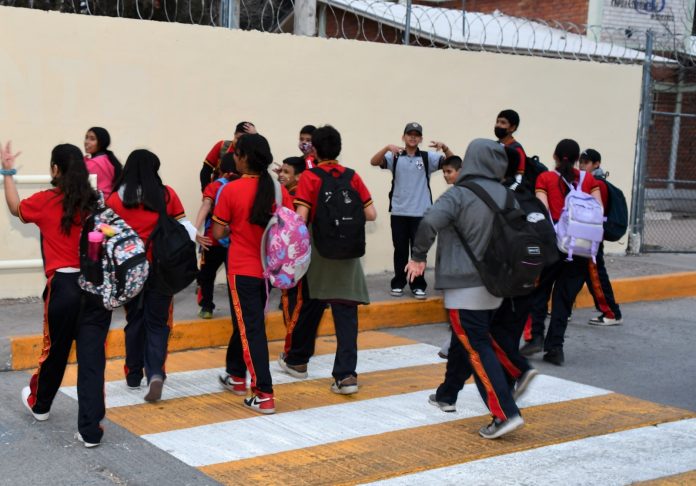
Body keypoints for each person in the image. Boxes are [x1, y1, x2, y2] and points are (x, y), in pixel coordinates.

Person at [405, 138, 524, 440]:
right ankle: (451, 394)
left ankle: (504, 412)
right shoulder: (507, 194)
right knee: (476, 341)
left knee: (476, 347)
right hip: (498, 284)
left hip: (464, 284)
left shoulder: (459, 194)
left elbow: (429, 222)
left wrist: (418, 257)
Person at [2, 141, 112, 448]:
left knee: (55, 352)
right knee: (92, 359)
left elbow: (15, 207)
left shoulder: (46, 201)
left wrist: (8, 172)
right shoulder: (96, 202)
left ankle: (40, 405)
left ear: (55, 169)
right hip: (96, 288)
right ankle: (90, 431)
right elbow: (110, 235)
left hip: (64, 287)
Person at [278, 125, 377, 395]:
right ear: (339, 149)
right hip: (348, 253)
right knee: (346, 312)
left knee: (311, 304)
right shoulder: (352, 176)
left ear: (315, 150)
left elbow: (301, 218)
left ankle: (298, 361)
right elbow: (371, 214)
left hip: (320, 253)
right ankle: (346, 376)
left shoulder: (310, 177)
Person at [213, 133, 293, 414]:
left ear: (244, 158)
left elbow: (218, 232)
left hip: (241, 269)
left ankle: (264, 393)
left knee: (251, 330)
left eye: (236, 153)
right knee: (248, 324)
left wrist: (234, 227)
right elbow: (291, 226)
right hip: (268, 271)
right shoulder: (279, 191)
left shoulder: (231, 190)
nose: (234, 157)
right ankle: (236, 376)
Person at [106, 150, 187, 401]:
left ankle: (133, 374)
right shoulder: (167, 195)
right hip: (161, 269)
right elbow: (183, 227)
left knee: (135, 321)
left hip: (129, 270)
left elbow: (106, 231)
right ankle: (155, 373)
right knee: (157, 323)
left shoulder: (115, 200)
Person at [521, 139, 603, 365]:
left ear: (555, 156)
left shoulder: (545, 178)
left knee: (540, 292)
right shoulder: (590, 180)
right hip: (580, 249)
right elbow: (599, 209)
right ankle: (555, 348)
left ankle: (536, 336)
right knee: (563, 300)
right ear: (577, 159)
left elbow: (543, 210)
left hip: (554, 246)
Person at [370, 122, 452, 299]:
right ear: (403, 137)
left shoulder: (427, 157)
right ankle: (398, 283)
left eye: (416, 135)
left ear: (420, 139)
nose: (413, 137)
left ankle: (418, 285)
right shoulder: (395, 156)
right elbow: (374, 161)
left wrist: (445, 148)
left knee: (418, 252)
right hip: (399, 212)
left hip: (421, 213)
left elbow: (453, 163)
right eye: (410, 134)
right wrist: (387, 148)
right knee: (400, 250)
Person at [579, 148, 623, 326]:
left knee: (596, 275)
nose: (582, 166)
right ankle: (564, 310)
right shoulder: (588, 182)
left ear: (596, 164)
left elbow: (596, 212)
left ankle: (612, 313)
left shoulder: (598, 185)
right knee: (577, 274)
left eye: (586, 162)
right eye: (580, 162)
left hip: (592, 237)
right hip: (586, 235)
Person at [193, 153, 239, 319]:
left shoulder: (214, 186)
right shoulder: (242, 186)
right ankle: (237, 309)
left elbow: (206, 205)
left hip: (212, 239)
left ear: (221, 169)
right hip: (235, 240)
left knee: (207, 275)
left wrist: (195, 229)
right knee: (234, 277)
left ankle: (207, 307)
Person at [437, 154, 463, 359]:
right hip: (450, 256)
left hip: (458, 260)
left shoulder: (459, 196)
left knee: (457, 305)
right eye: (444, 172)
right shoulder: (454, 194)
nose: (446, 175)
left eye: (449, 172)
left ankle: (455, 343)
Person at [199, 121, 255, 191]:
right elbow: (206, 170)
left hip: (240, 191)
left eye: (244, 140)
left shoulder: (253, 152)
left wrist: (256, 135)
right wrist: (206, 191)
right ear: (234, 134)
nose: (240, 143)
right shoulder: (222, 146)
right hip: (217, 191)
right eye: (238, 138)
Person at [83, 127, 122, 200]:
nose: (86, 142)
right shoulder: (108, 159)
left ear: (101, 142)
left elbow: (87, 188)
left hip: (98, 202)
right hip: (109, 201)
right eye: (86, 138)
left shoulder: (94, 163)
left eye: (92, 139)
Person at [495, 109, 526, 181]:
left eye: (503, 123)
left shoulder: (517, 149)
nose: (498, 125)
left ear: (512, 128)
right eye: (497, 122)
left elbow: (519, 177)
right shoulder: (494, 145)